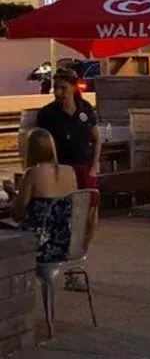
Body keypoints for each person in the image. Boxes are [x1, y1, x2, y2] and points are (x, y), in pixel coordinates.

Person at [36, 68, 101, 288]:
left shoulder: (85, 109)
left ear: (74, 87)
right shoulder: (47, 113)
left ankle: (79, 258)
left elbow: (96, 137)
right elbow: (39, 144)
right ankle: (65, 268)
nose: (59, 92)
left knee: (91, 217)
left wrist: (95, 163)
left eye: (63, 87)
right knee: (67, 218)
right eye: (56, 88)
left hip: (85, 168)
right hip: (62, 171)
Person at [3, 129, 79, 263]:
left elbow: (17, 215)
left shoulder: (32, 173)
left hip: (39, 244)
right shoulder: (70, 172)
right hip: (65, 243)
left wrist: (12, 194)